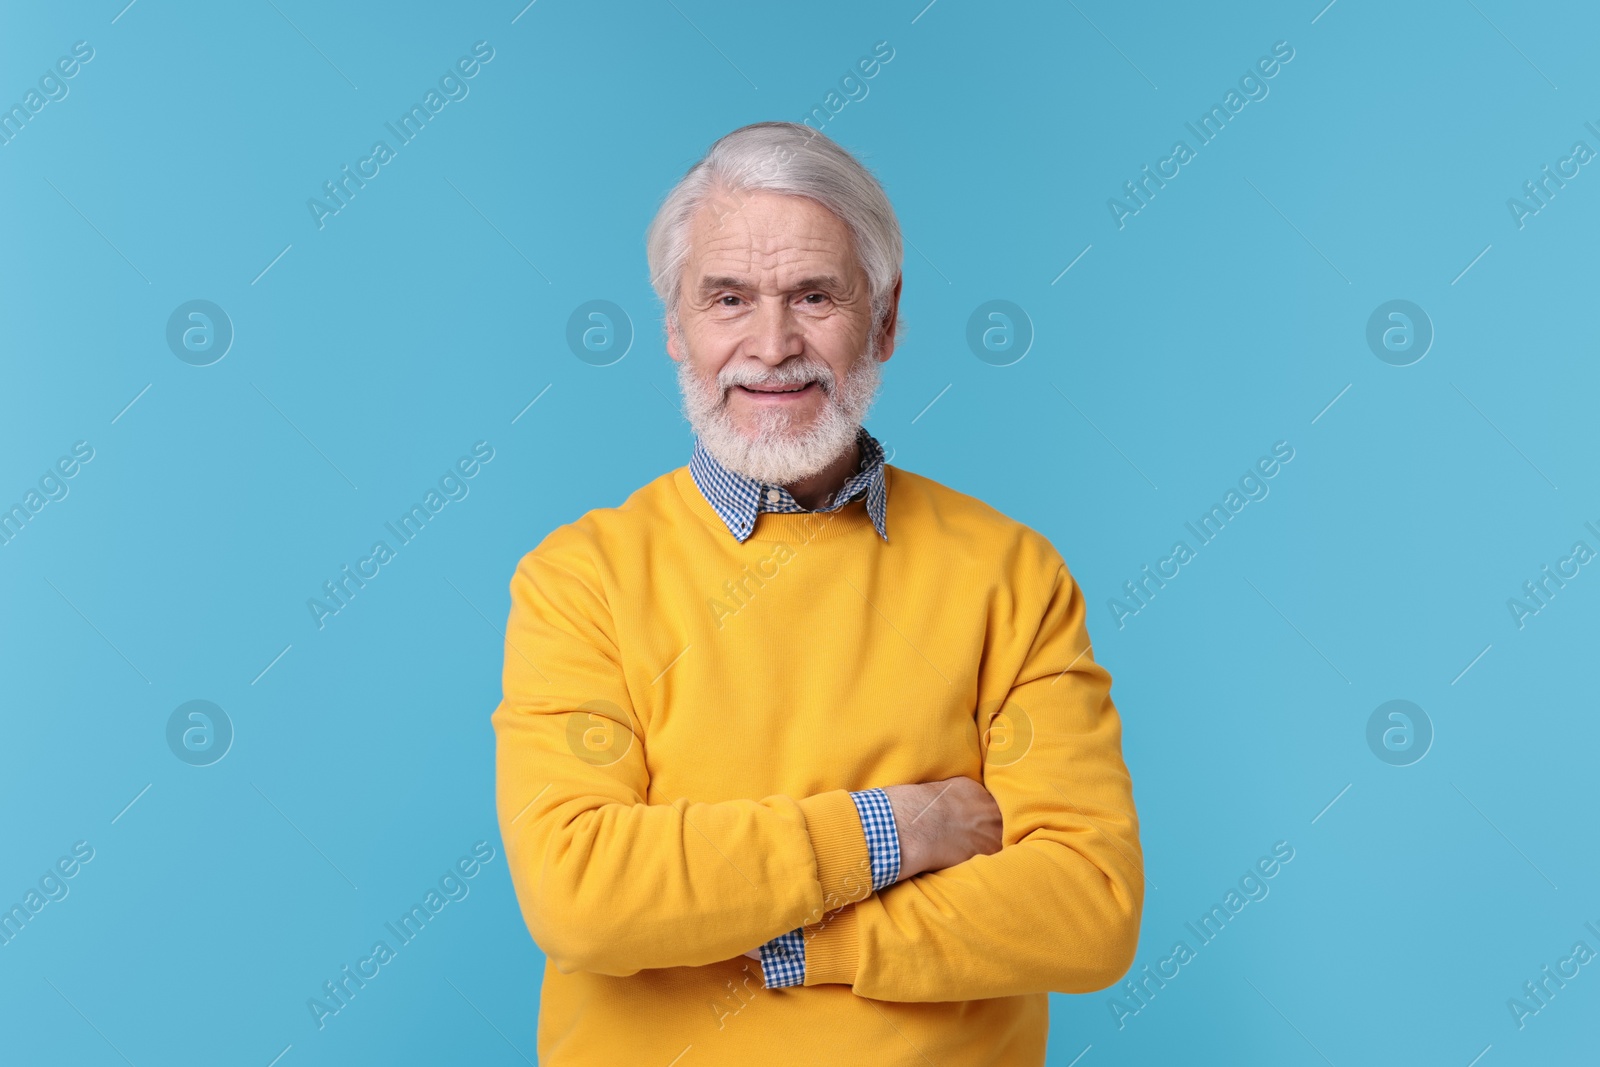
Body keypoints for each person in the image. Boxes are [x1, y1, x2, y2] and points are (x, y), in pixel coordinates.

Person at [491, 120, 1143, 1066]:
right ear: (675, 325)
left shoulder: (1011, 574)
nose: (772, 344)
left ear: (882, 317)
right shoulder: (579, 580)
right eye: (727, 298)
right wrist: (903, 827)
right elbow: (583, 894)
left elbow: (1087, 905)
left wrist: (799, 940)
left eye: (814, 296)